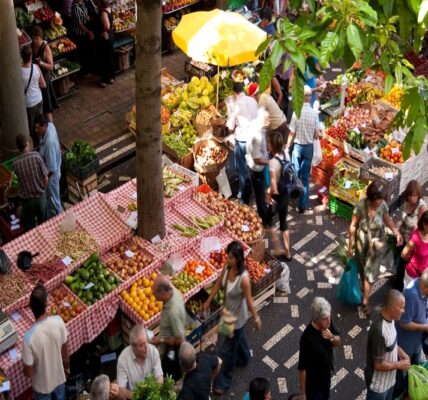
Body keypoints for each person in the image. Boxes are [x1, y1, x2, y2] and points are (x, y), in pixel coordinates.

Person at [203, 241, 262, 395]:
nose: (227, 259)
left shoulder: (243, 278)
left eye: (230, 257)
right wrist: (208, 301)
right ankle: (244, 357)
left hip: (236, 317)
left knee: (227, 351)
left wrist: (256, 317)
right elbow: (217, 284)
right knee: (237, 339)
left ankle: (223, 381)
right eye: (227, 256)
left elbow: (249, 300)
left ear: (238, 259)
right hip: (227, 312)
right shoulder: (227, 266)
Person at [348, 181, 403, 315]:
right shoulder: (361, 206)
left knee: (370, 275)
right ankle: (364, 288)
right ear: (370, 199)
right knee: (362, 269)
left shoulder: (383, 205)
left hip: (376, 243)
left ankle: (365, 300)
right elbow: (353, 225)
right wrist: (350, 246)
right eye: (377, 200)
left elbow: (387, 219)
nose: (380, 203)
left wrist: (396, 231)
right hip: (362, 242)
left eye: (381, 200)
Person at [22, 284, 70, 400]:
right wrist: (67, 368)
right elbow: (65, 355)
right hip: (59, 379)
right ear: (46, 304)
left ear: (30, 307)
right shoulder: (58, 321)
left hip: (42, 388)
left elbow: (28, 373)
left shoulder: (28, 338)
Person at [365, 289, 410, 400]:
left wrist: (401, 352)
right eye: (402, 307)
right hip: (379, 387)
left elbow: (390, 343)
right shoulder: (379, 331)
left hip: (390, 381)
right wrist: (399, 365)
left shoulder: (391, 317)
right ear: (393, 308)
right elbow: (378, 365)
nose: (403, 311)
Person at [286, 85, 321, 213]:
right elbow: (317, 135)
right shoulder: (314, 114)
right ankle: (303, 204)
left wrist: (287, 146)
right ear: (310, 97)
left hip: (297, 147)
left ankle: (294, 195)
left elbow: (291, 133)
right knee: (305, 177)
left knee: (296, 174)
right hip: (308, 148)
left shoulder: (296, 112)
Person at [298, 297, 341, 400]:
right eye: (325, 318)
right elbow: (302, 368)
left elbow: (338, 341)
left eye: (329, 317)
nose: (329, 321)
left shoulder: (328, 323)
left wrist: (331, 338)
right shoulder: (307, 338)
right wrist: (303, 394)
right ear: (316, 319)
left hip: (326, 378)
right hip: (314, 386)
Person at [394, 271, 428, 396]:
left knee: (416, 367)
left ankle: (413, 388)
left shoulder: (423, 290)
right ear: (425, 287)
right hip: (405, 344)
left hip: (416, 343)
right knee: (400, 372)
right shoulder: (412, 295)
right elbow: (404, 322)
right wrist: (424, 327)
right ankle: (399, 394)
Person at [110, 325, 163, 399]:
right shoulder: (123, 360)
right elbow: (121, 390)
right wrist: (138, 397)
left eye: (146, 342)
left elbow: (159, 378)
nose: (146, 347)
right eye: (141, 345)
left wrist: (152, 394)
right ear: (133, 347)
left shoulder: (153, 352)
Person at [226, 82, 258, 201]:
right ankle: (251, 189)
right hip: (254, 138)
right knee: (251, 166)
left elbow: (230, 127)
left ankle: (243, 195)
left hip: (243, 140)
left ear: (235, 93)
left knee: (242, 168)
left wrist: (230, 130)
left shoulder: (236, 105)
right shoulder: (253, 101)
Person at [151, 275, 186, 381]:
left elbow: (180, 340)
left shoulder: (173, 312)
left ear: (163, 293)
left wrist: (161, 340)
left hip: (169, 349)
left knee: (168, 373)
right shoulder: (172, 291)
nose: (152, 293)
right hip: (168, 336)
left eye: (155, 292)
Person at [395, 180, 427, 290]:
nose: (413, 198)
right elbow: (403, 220)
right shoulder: (405, 204)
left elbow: (423, 227)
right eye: (410, 195)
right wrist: (398, 233)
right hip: (402, 239)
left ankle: (403, 290)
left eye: (415, 196)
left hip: (412, 243)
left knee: (406, 267)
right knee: (399, 265)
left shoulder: (421, 207)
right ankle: (398, 286)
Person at [13, 134, 49, 231]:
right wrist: (43, 191)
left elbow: (20, 180)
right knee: (44, 225)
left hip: (27, 201)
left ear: (18, 147)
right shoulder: (36, 156)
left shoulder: (15, 163)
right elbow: (45, 178)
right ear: (27, 144)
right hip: (40, 197)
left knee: (30, 228)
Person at [266, 131, 291, 260]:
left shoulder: (272, 163)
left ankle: (277, 248)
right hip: (287, 192)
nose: (267, 145)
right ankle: (287, 252)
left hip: (278, 197)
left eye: (269, 143)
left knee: (268, 221)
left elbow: (274, 187)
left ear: (272, 146)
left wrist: (267, 193)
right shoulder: (286, 153)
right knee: (283, 223)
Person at [244, 109, 270, 226]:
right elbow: (257, 159)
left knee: (249, 187)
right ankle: (265, 220)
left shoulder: (258, 127)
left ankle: (244, 207)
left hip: (253, 165)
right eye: (267, 119)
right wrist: (270, 162)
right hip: (256, 168)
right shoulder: (257, 135)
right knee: (260, 195)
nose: (269, 121)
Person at [35, 114, 63, 218]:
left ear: (44, 126)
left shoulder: (49, 143)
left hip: (52, 175)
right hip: (53, 166)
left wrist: (45, 179)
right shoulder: (50, 126)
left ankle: (59, 217)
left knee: (55, 200)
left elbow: (52, 168)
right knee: (52, 197)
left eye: (38, 127)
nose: (36, 130)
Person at [22, 45, 46, 148]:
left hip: (29, 103)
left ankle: (35, 143)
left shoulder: (19, 71)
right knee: (39, 121)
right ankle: (41, 140)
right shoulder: (36, 67)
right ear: (31, 56)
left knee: (31, 124)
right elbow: (43, 84)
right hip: (39, 99)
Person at [32, 26, 58, 122]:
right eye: (34, 38)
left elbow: (51, 66)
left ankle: (51, 130)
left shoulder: (45, 48)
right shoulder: (31, 46)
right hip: (35, 80)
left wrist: (41, 63)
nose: (35, 41)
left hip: (44, 79)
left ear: (41, 38)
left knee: (47, 109)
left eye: (37, 39)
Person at [401, 211, 428, 285]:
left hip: (425, 274)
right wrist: (411, 261)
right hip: (413, 275)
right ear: (424, 224)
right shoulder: (415, 238)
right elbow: (403, 254)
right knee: (409, 295)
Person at [70, 0, 95, 76]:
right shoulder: (76, 7)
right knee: (82, 53)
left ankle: (87, 70)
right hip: (78, 34)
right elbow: (79, 24)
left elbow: (85, 14)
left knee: (86, 52)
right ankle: (83, 72)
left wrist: (87, 17)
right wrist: (89, 32)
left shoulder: (83, 4)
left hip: (84, 33)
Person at [98, 0, 115, 87]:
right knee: (110, 57)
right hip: (111, 36)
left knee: (104, 58)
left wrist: (103, 32)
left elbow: (107, 26)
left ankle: (104, 79)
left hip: (106, 38)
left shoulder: (104, 12)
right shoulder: (110, 9)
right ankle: (111, 77)